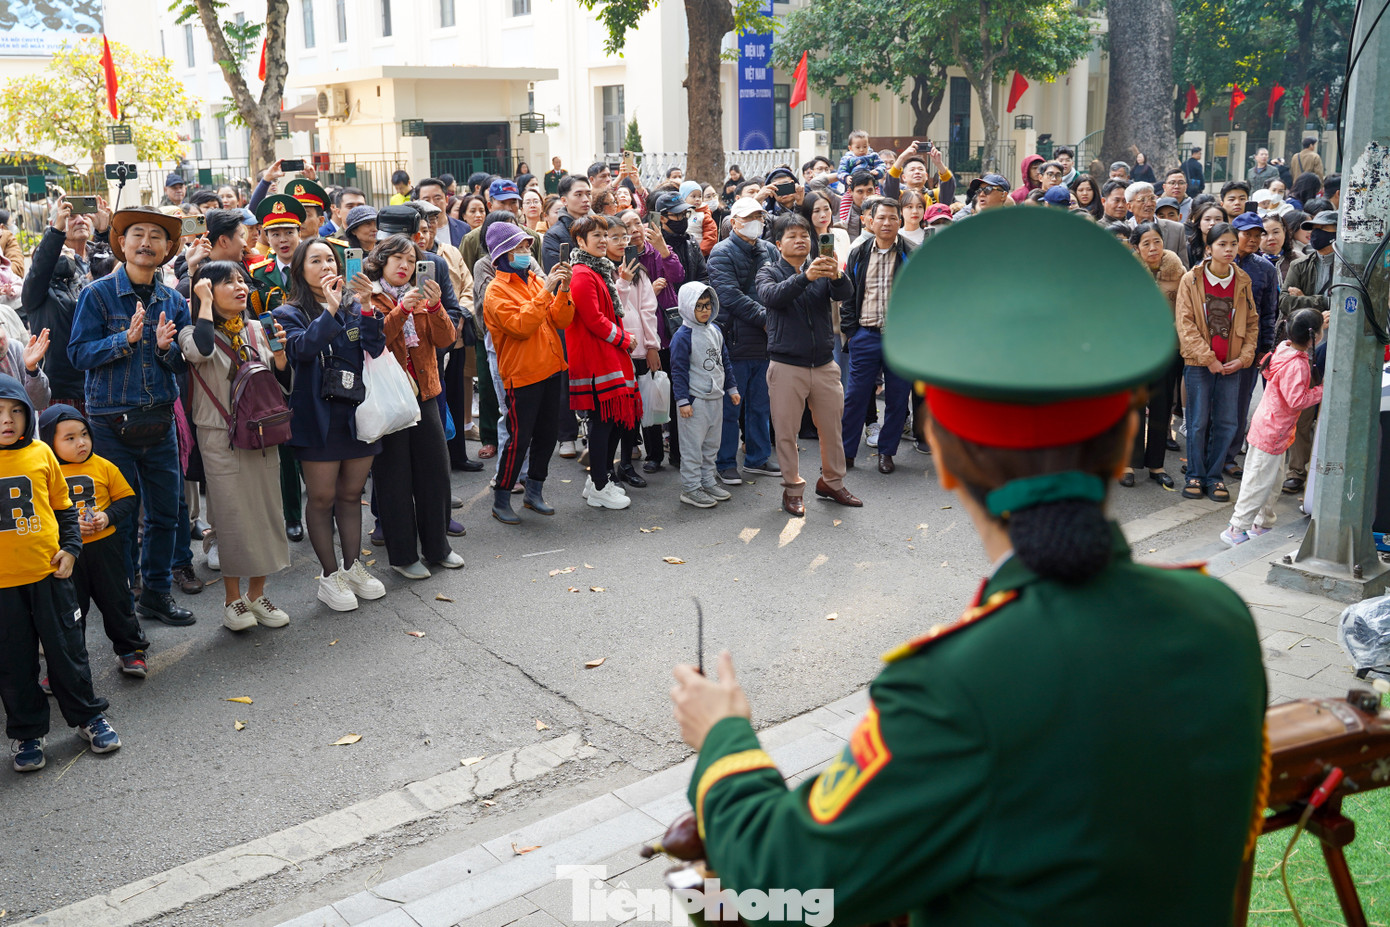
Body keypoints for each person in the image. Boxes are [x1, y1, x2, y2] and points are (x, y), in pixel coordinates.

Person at [669, 207, 1266, 925]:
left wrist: (726, 739)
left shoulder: (955, 686)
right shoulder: (1219, 619)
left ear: (946, 458)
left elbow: (785, 884)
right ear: (1126, 441)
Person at [67, 206, 194, 627]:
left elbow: (182, 365)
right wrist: (125, 339)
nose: (146, 243)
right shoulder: (97, 294)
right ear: (122, 243)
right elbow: (77, 354)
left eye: (156, 236)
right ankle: (121, 600)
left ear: (167, 248)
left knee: (166, 513)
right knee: (118, 517)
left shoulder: (173, 300)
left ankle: (156, 593)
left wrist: (164, 350)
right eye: (137, 234)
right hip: (110, 424)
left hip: (159, 420)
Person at [0, 374, 122, 772]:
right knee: (14, 662)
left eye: (15, 410)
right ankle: (27, 733)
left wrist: (70, 549)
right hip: (4, 589)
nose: (8, 419)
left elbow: (64, 508)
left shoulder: (41, 453)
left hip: (49, 576)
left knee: (67, 651)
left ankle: (88, 715)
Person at [275, 238, 388, 612]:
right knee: (322, 498)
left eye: (330, 259)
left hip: (357, 414)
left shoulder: (355, 304)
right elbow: (301, 350)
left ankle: (352, 567)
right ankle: (329, 575)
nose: (325, 266)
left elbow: (374, 348)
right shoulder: (288, 312)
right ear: (300, 270)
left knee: (352, 494)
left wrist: (367, 307)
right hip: (316, 417)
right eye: (315, 260)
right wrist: (332, 309)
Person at [179, 261, 293, 630]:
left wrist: (281, 358)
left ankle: (257, 595)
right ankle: (232, 601)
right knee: (231, 517)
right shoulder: (191, 332)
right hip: (219, 435)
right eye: (228, 282)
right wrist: (203, 304)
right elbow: (201, 351)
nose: (240, 287)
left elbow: (282, 384)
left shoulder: (258, 328)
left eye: (241, 280)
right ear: (207, 291)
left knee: (265, 512)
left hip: (262, 433)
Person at [358, 235, 462, 577]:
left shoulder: (422, 294)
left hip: (425, 392)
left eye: (411, 260)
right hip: (388, 397)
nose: (405, 266)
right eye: (397, 259)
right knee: (394, 479)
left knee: (436, 473)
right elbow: (374, 342)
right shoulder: (369, 295)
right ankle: (404, 557)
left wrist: (435, 306)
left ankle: (438, 548)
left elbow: (446, 340)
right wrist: (401, 309)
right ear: (381, 262)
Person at [757, 213, 858, 516]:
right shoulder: (768, 271)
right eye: (792, 236)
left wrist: (837, 275)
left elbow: (845, 294)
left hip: (825, 363)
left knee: (832, 429)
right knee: (786, 432)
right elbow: (772, 297)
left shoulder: (821, 267)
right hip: (786, 365)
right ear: (778, 244)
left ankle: (832, 482)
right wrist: (805, 277)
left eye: (804, 235)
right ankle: (792, 490)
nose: (800, 240)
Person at [38, 403, 150, 676]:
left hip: (105, 549)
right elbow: (39, 512)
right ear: (50, 442)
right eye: (69, 438)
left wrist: (108, 516)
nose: (81, 443)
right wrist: (65, 525)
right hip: (66, 554)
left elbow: (127, 499)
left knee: (117, 601)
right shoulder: (44, 472)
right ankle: (66, 669)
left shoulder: (103, 465)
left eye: (84, 434)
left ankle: (130, 650)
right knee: (69, 611)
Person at [481, 221, 574, 525]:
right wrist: (547, 291)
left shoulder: (534, 279)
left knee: (547, 436)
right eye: (518, 248)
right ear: (502, 254)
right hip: (521, 375)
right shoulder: (496, 290)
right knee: (518, 440)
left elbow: (561, 320)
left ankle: (534, 491)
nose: (525, 252)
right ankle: (502, 497)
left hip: (551, 369)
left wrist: (563, 290)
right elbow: (520, 326)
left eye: (526, 247)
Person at [1223, 309, 1324, 546]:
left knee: (1271, 482)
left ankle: (1262, 523)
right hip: (1272, 432)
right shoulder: (1297, 364)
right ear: (1313, 337)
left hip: (1271, 429)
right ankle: (1236, 528)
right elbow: (1296, 400)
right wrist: (1322, 390)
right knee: (1258, 482)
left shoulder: (1284, 349)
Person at [1175, 222, 1258, 502]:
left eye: (1233, 244)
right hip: (1199, 364)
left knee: (1226, 423)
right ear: (1209, 248)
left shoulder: (1242, 280)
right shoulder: (1191, 280)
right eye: (1222, 244)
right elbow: (1185, 324)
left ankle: (1214, 477)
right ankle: (1194, 475)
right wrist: (1208, 358)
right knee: (1198, 422)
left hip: (1232, 364)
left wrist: (1244, 359)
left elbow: (1252, 323)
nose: (1229, 249)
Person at [566, 215, 643, 510]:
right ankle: (599, 484)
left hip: (607, 356)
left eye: (603, 234)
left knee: (610, 422)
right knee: (602, 423)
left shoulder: (597, 269)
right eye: (595, 236)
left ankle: (598, 480)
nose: (602, 240)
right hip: (596, 359)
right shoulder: (582, 273)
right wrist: (624, 338)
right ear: (580, 241)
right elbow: (594, 320)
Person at [708, 197, 780, 486]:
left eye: (759, 217)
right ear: (734, 222)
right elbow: (729, 295)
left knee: (761, 405)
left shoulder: (770, 250)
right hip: (735, 341)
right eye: (749, 217)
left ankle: (758, 457)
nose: (756, 223)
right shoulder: (721, 252)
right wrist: (765, 318)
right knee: (731, 406)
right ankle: (725, 462)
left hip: (765, 342)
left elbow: (778, 286)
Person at [841, 199, 911, 478]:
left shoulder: (911, 254)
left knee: (897, 398)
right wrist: (852, 332)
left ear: (899, 222)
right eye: (881, 217)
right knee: (855, 397)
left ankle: (886, 452)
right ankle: (846, 453)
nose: (886, 223)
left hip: (900, 340)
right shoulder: (859, 253)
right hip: (865, 336)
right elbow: (848, 295)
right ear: (870, 221)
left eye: (892, 218)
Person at [23, 194, 105, 412]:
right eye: (71, 216)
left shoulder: (99, 262)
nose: (80, 220)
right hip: (63, 390)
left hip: (105, 382)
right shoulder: (44, 276)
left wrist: (106, 231)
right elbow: (41, 267)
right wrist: (56, 232)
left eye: (85, 214)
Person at [639, 193, 702, 474]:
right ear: (660, 217)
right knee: (651, 392)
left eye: (685, 214)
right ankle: (653, 454)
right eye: (677, 215)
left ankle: (678, 451)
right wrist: (649, 291)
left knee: (679, 392)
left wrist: (664, 250)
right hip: (650, 332)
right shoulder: (642, 250)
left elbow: (681, 275)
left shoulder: (686, 244)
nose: (682, 219)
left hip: (679, 328)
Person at [1120, 223, 1184, 490]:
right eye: (1146, 243)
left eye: (1157, 241)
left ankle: (1157, 464)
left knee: (1162, 405)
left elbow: (1185, 309)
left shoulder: (1179, 272)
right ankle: (1128, 463)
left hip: (1168, 348)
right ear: (1136, 247)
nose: (1153, 248)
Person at [670, 284, 739, 508]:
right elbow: (678, 371)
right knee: (692, 448)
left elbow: (724, 362)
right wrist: (683, 401)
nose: (704, 310)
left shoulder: (715, 330)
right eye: (698, 306)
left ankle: (707, 480)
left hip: (715, 399)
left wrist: (732, 388)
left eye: (707, 305)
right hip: (695, 401)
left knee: (711, 446)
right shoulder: (682, 337)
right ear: (687, 307)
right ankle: (690, 488)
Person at [609, 213, 661, 485]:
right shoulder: (602, 272)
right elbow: (612, 311)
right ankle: (609, 466)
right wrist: (622, 281)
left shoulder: (639, 272)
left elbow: (648, 310)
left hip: (638, 349)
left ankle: (629, 463)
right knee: (615, 413)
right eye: (614, 237)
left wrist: (651, 346)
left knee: (637, 409)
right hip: (614, 349)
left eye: (624, 237)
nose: (621, 242)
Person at [1186, 202, 1227, 267]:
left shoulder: (1230, 245)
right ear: (1199, 224)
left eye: (1218, 219)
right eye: (1207, 219)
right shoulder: (1189, 247)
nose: (1212, 223)